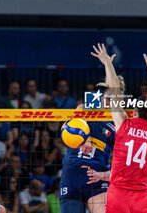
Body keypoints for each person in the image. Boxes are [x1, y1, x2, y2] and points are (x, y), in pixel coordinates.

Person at [91, 44, 147, 213]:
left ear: (135, 111)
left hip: (118, 194)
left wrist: (108, 63)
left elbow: (115, 93)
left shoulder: (124, 124)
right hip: (142, 196)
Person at [58, 78, 119, 213]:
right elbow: (79, 109)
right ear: (102, 97)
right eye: (108, 98)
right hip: (73, 172)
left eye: (114, 100)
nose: (110, 103)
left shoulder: (118, 119)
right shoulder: (94, 104)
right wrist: (85, 139)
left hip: (97, 175)